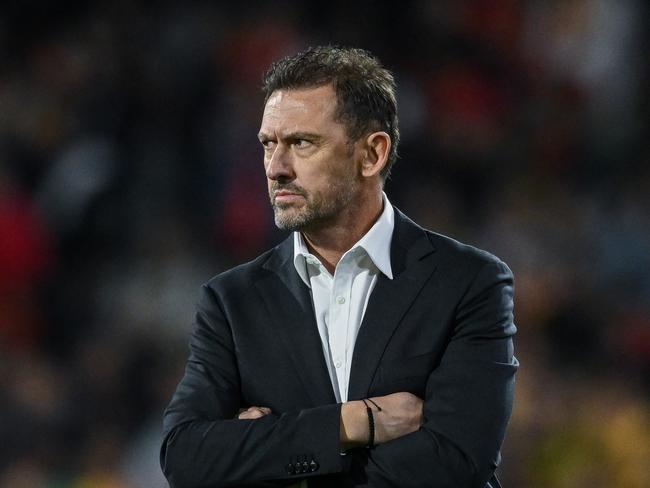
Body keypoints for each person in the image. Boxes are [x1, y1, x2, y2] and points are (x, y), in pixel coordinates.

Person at [161, 46, 518, 488]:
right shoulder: (232, 301)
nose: (275, 168)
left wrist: (267, 458)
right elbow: (185, 457)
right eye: (268, 144)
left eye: (302, 143)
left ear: (372, 154)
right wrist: (353, 423)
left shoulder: (469, 282)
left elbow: (457, 461)